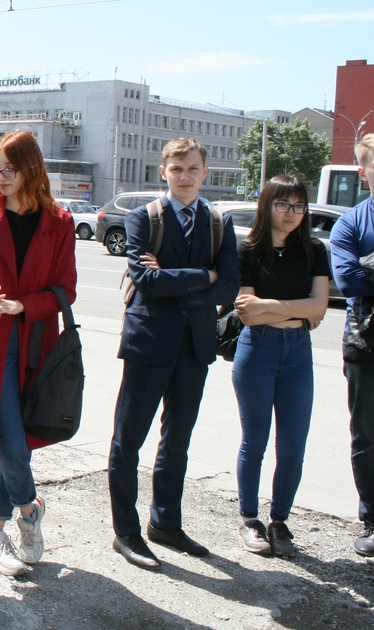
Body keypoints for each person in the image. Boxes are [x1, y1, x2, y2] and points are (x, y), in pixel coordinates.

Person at [108, 137, 239, 570]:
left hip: (194, 346)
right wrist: (204, 275)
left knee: (177, 441)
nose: (185, 177)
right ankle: (126, 531)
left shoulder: (218, 222)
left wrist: (177, 278)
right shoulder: (143, 217)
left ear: (205, 172)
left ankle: (165, 522)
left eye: (193, 169)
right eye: (177, 169)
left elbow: (229, 287)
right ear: (163, 171)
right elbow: (146, 281)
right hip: (149, 343)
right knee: (128, 440)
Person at [0, 132, 77, 576]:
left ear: (31, 169)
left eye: (9, 168)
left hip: (36, 342)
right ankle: (29, 511)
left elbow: (66, 289)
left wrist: (23, 305)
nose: (1, 176)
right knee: (10, 435)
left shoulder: (60, 222)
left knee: (18, 438)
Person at [229, 175, 330, 558]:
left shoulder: (314, 250)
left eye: (299, 206)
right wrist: (298, 312)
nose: (291, 213)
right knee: (254, 441)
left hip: (299, 354)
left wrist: (268, 306)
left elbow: (319, 306)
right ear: (267, 205)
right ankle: (250, 519)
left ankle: (279, 521)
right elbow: (248, 315)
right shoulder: (248, 250)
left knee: (292, 446)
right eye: (283, 204)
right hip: (258, 350)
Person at [331, 132, 374, 557]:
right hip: (369, 347)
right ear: (363, 171)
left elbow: (363, 274)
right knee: (367, 440)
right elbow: (348, 280)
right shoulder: (350, 224)